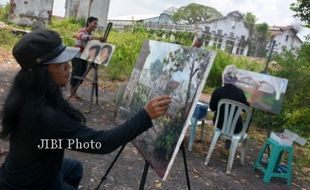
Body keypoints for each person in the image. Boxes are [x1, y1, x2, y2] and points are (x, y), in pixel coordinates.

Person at [0, 30, 171, 190]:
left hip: (21, 169)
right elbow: (101, 143)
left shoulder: (26, 92)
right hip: (27, 185)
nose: (68, 67)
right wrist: (145, 116)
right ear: (41, 72)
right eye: (60, 64)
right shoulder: (45, 115)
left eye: (66, 61)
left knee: (74, 168)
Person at [209, 65, 250, 148]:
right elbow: (246, 109)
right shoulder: (240, 93)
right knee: (236, 119)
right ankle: (229, 141)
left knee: (222, 117)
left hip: (219, 124)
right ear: (236, 78)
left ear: (224, 76)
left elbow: (212, 108)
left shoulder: (217, 91)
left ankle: (218, 139)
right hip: (236, 128)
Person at [70, 16, 103, 100]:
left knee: (82, 75)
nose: (95, 26)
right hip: (77, 56)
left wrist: (99, 41)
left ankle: (74, 92)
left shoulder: (90, 34)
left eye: (96, 24)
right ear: (89, 23)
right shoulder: (82, 31)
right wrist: (97, 38)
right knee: (76, 74)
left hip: (84, 57)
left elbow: (92, 43)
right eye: (94, 23)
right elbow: (82, 37)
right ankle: (72, 93)